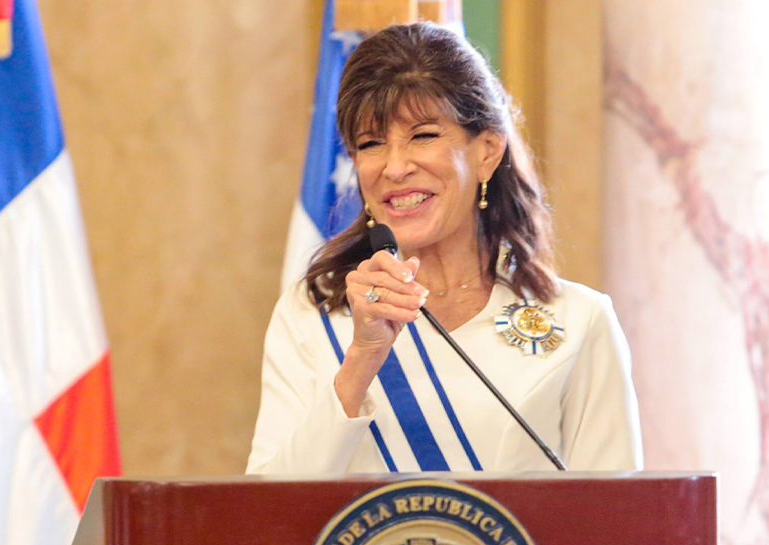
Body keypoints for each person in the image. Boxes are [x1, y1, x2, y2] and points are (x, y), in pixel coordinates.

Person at [246, 22, 641, 474]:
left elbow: (618, 526)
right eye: (371, 144)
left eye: (423, 135)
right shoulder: (312, 314)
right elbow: (268, 515)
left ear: (488, 151)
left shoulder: (579, 321)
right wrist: (360, 361)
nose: (394, 168)